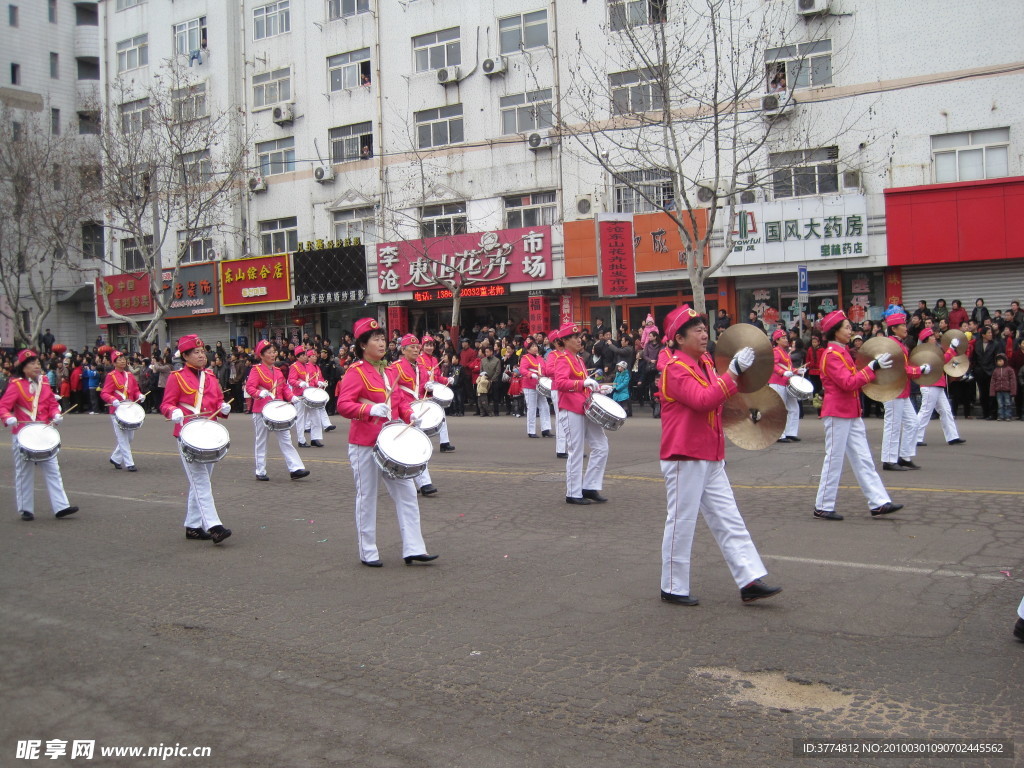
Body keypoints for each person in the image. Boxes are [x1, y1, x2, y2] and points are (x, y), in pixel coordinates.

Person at [657, 305, 781, 606]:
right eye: (697, 330)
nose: (704, 334)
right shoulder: (675, 368)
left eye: (704, 329)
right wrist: (733, 374)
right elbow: (702, 400)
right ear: (679, 338)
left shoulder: (706, 365)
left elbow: (719, 398)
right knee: (681, 521)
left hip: (710, 453)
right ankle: (672, 586)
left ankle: (749, 578)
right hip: (684, 454)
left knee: (730, 518)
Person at [335, 318, 436, 567]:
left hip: (392, 443)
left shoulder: (390, 370)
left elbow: (400, 400)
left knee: (408, 493)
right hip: (364, 444)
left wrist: (410, 415)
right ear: (362, 344)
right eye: (376, 339)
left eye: (383, 339)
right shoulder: (355, 372)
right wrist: (368, 410)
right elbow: (343, 405)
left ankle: (414, 548)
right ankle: (367, 550)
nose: (382, 343)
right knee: (367, 497)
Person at [813, 310, 903, 521]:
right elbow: (848, 383)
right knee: (834, 459)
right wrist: (872, 368)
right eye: (846, 327)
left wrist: (872, 368)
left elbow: (854, 380)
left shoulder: (841, 352)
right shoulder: (831, 355)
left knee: (863, 458)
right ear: (835, 332)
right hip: (837, 413)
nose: (850, 330)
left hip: (850, 412)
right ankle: (823, 505)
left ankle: (879, 502)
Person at [160, 335, 233, 544]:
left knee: (201, 481)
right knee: (200, 481)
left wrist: (224, 407)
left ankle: (192, 526)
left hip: (208, 432)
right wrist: (172, 411)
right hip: (188, 434)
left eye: (202, 352)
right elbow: (166, 404)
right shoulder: (177, 377)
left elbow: (217, 401)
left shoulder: (210, 376)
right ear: (185, 356)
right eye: (196, 353)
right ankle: (214, 526)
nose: (202, 355)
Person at [0, 349, 78, 521]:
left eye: (37, 363)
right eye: (32, 364)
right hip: (23, 433)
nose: (36, 366)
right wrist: (9, 418)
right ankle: (26, 509)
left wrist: (56, 413)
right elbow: (3, 407)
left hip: (43, 432)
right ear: (23, 367)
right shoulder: (16, 384)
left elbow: (50, 402)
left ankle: (61, 506)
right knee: (24, 472)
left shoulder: (43, 381)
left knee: (53, 469)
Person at [551, 322, 608, 505]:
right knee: (576, 451)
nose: (579, 340)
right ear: (565, 341)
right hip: (570, 409)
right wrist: (581, 384)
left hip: (585, 407)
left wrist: (598, 388)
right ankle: (573, 493)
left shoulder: (580, 360)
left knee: (601, 446)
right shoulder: (562, 359)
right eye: (574, 338)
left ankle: (590, 486)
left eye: (579, 337)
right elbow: (560, 383)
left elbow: (586, 385)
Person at [245, 340, 309, 482]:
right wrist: (258, 393)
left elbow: (284, 388)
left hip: (278, 409)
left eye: (274, 352)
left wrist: (292, 397)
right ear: (261, 355)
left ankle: (295, 469)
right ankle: (260, 470)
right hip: (262, 410)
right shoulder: (256, 370)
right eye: (269, 352)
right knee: (261, 441)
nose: (273, 355)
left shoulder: (278, 371)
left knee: (286, 439)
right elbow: (250, 388)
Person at [879, 307, 928, 472]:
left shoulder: (898, 343)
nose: (906, 328)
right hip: (893, 390)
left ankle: (905, 457)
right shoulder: (892, 345)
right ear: (893, 328)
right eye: (902, 325)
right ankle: (888, 459)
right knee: (892, 425)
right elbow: (900, 368)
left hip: (902, 390)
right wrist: (919, 370)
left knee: (912, 423)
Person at [391, 334, 440, 495]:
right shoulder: (395, 367)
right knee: (410, 446)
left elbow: (423, 388)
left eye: (417, 347)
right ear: (403, 350)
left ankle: (421, 482)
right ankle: (420, 482)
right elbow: (392, 391)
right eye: (411, 347)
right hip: (402, 411)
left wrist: (429, 386)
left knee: (417, 446)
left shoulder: (420, 366)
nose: (415, 349)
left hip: (417, 410)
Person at [914, 329, 965, 447]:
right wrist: (952, 348)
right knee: (925, 412)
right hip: (930, 385)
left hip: (936, 384)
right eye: (932, 336)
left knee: (946, 411)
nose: (934, 337)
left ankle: (952, 436)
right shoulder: (926, 351)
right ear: (927, 340)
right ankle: (915, 437)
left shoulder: (932, 350)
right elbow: (941, 361)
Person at [100, 350, 146, 471]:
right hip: (117, 410)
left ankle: (115, 458)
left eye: (123, 359)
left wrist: (140, 395)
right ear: (114, 363)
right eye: (119, 359)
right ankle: (129, 463)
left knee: (130, 437)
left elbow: (135, 390)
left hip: (129, 409)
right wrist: (112, 399)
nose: (122, 361)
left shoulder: (129, 375)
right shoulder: (111, 376)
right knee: (122, 438)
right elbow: (104, 393)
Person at [417, 335, 456, 451]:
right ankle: (421, 444)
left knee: (442, 417)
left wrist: (447, 380)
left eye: (431, 345)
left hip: (434, 391)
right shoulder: (419, 359)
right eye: (427, 345)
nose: (429, 347)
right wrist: (425, 382)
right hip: (423, 393)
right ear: (422, 346)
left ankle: (444, 442)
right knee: (422, 420)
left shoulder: (434, 360)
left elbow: (438, 377)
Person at [767, 329, 804, 443]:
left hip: (786, 382)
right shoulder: (776, 351)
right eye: (783, 338)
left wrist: (798, 370)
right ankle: (779, 434)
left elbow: (787, 368)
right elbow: (773, 365)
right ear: (777, 340)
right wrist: (782, 373)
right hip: (777, 382)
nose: (786, 339)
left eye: (786, 337)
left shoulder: (785, 352)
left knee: (794, 407)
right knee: (780, 409)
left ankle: (791, 432)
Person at [288, 346, 325, 447]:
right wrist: (300, 383)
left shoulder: (308, 366)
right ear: (298, 357)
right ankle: (301, 440)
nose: (306, 357)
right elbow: (291, 380)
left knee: (316, 416)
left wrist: (319, 383)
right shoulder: (294, 366)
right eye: (303, 355)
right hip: (300, 396)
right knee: (301, 418)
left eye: (305, 355)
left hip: (310, 395)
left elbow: (312, 380)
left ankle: (315, 438)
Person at [519, 339, 552, 438]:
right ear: (528, 349)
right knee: (532, 408)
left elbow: (545, 369)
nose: (535, 348)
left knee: (545, 407)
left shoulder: (540, 358)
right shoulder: (525, 358)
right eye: (532, 346)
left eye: (535, 346)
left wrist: (549, 376)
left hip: (540, 385)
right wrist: (531, 374)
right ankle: (531, 430)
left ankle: (546, 429)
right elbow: (522, 370)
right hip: (529, 385)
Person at [972, 326, 1000, 420]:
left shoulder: (995, 344)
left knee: (991, 394)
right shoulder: (977, 343)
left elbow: (997, 359)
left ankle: (993, 413)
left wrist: (995, 370)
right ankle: (985, 413)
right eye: (988, 333)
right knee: (982, 393)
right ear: (983, 335)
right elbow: (974, 358)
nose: (990, 334)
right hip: (980, 372)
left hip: (991, 371)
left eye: (991, 333)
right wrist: (975, 369)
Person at [990, 353, 1017, 421]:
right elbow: (993, 381)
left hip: (1007, 390)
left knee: (1008, 403)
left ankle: (1008, 415)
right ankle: (1001, 416)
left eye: (1000, 361)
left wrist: (1013, 391)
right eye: (998, 361)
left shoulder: (1009, 370)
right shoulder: (996, 370)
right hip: (998, 390)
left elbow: (1013, 381)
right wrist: (992, 392)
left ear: (1004, 361)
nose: (999, 362)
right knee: (1000, 404)